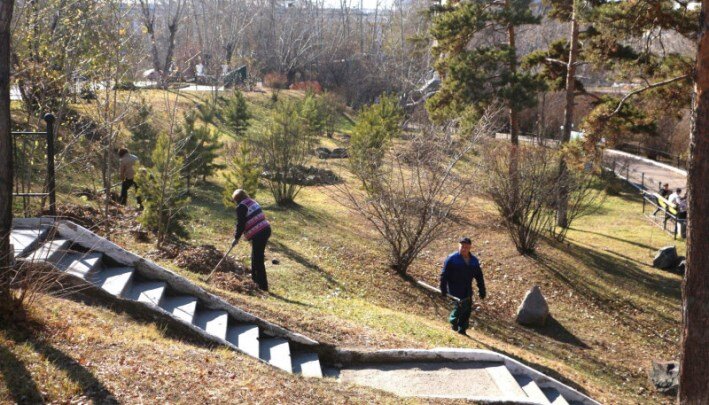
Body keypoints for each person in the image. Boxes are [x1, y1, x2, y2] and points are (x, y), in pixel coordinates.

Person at [440, 237, 486, 335]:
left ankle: (462, 329)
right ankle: (454, 322)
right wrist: (443, 288)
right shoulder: (451, 259)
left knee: (467, 310)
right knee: (460, 306)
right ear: (459, 246)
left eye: (466, 247)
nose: (464, 249)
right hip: (454, 288)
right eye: (462, 246)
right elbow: (444, 275)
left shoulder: (474, 261)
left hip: (467, 289)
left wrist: (482, 290)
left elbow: (479, 276)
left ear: (470, 248)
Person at [231, 189, 271, 291]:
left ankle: (260, 285)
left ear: (237, 199)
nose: (235, 202)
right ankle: (257, 282)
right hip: (265, 229)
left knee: (257, 259)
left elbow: (241, 224)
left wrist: (236, 238)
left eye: (235, 200)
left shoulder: (242, 206)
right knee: (256, 257)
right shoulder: (252, 201)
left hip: (259, 233)